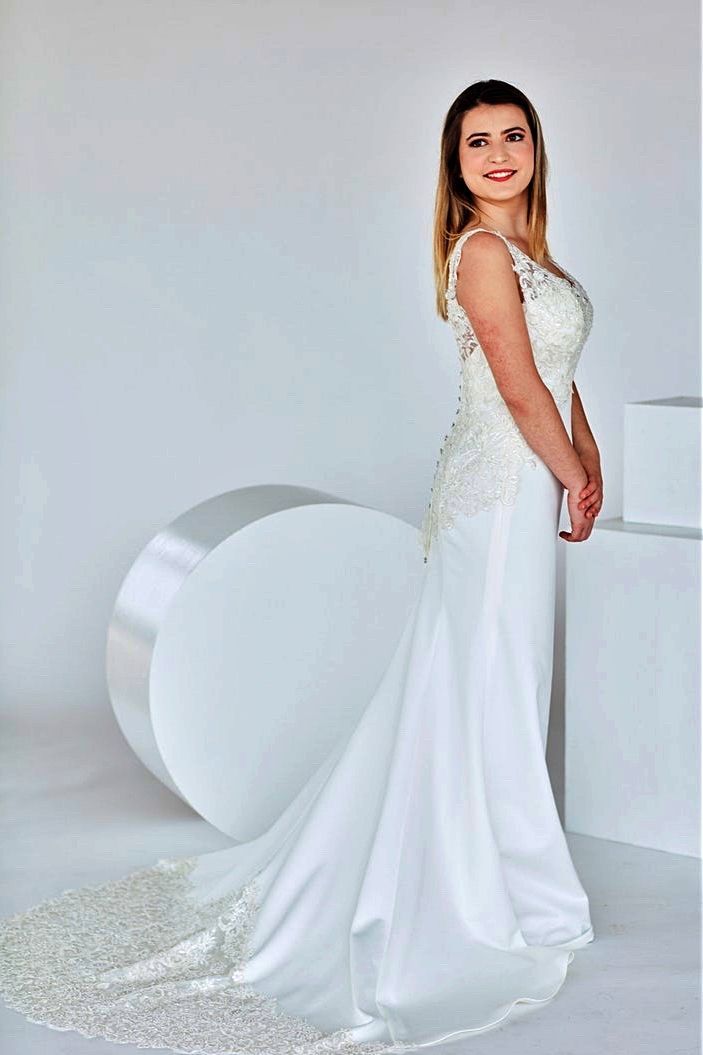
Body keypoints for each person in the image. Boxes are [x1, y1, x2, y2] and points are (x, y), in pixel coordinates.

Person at [0, 78, 602, 1054]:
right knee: (484, 678)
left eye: (513, 136)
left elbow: (564, 377)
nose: (497, 154)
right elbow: (519, 385)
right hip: (496, 496)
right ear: (454, 166)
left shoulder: (538, 260)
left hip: (527, 490)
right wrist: (571, 470)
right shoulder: (483, 254)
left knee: (507, 676)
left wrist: (590, 457)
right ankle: (492, 885)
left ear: (536, 149)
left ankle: (511, 866)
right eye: (476, 141)